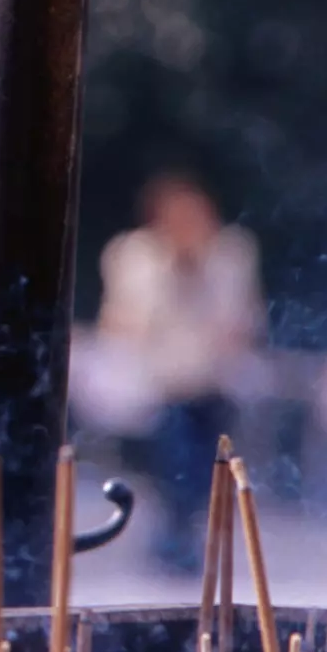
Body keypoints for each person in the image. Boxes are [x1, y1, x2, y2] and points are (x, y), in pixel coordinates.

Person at [96, 171, 265, 570]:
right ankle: (171, 540)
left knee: (205, 465)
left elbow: (242, 319)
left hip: (212, 381)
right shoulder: (135, 255)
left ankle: (183, 536)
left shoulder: (231, 254)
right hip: (159, 384)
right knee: (173, 462)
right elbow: (124, 320)